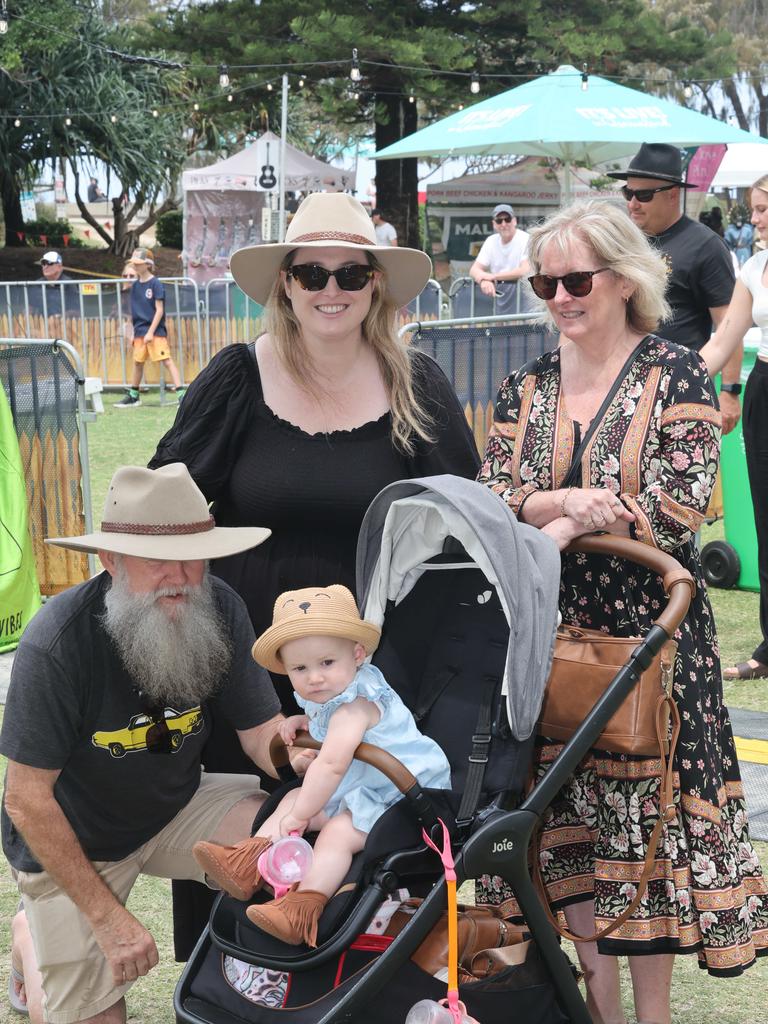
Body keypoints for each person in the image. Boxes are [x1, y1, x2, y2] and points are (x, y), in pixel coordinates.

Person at [149, 190, 479, 958]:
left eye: (350, 274)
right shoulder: (237, 377)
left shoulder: (416, 385)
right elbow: (166, 495)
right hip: (244, 656)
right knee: (248, 816)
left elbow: (465, 515)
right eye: (311, 273)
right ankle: (228, 986)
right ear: (285, 285)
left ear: (376, 285)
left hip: (368, 661)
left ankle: (333, 987)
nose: (331, 289)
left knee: (355, 828)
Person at [476, 199, 768, 1024]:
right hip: (545, 643)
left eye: (576, 279)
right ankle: (596, 1013)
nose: (560, 296)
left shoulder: (674, 372)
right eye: (545, 281)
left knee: (642, 845)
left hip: (652, 647)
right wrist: (569, 505)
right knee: (564, 835)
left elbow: (680, 506)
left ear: (622, 279)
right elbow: (493, 496)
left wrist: (554, 519)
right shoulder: (524, 385)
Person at [0, 463, 295, 1024]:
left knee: (285, 848)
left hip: (175, 805)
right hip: (73, 842)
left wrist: (300, 752)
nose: (180, 576)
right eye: (158, 561)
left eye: (194, 556)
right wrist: (108, 921)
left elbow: (260, 735)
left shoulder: (218, 604)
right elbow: (25, 800)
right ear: (110, 560)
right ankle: (32, 943)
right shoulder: (56, 643)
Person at [193, 584, 452, 946]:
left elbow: (330, 763)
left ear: (357, 653)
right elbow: (326, 726)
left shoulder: (358, 704)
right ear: (286, 668)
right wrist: (303, 721)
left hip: (402, 797)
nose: (314, 677)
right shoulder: (331, 694)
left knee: (336, 833)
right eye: (300, 667)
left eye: (326, 663)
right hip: (361, 784)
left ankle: (300, 911)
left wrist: (302, 816)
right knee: (289, 798)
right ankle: (247, 862)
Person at [607, 143, 742, 435]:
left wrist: (730, 391)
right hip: (621, 388)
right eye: (628, 193)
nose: (632, 203)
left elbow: (729, 322)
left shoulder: (705, 246)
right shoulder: (625, 242)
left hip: (680, 389)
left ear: (672, 195)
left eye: (643, 195)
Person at [699, 174, 768, 681]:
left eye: (765, 209)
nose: (756, 220)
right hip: (765, 381)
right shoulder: (754, 265)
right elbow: (725, 340)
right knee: (766, 520)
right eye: (754, 210)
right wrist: (666, 377)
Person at [115, 248, 184, 409]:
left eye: (138, 264)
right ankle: (134, 395)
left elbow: (159, 310)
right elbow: (133, 311)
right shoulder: (135, 286)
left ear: (148, 265)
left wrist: (151, 332)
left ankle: (182, 395)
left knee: (166, 361)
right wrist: (132, 331)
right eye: (134, 263)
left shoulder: (155, 284)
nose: (135, 266)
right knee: (138, 363)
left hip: (155, 332)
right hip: (139, 332)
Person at [469, 203, 531, 314]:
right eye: (499, 220)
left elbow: (525, 270)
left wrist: (492, 277)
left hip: (523, 298)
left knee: (523, 329)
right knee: (501, 328)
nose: (503, 224)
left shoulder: (525, 239)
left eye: (507, 219)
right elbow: (474, 269)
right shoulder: (490, 241)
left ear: (515, 221)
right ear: (494, 224)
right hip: (501, 298)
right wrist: (483, 280)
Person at [37, 250, 74, 320]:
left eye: (49, 263)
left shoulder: (68, 283)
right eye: (43, 263)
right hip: (41, 325)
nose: (45, 266)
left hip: (65, 325)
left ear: (59, 266)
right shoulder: (38, 284)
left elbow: (76, 310)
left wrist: (60, 317)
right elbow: (29, 308)